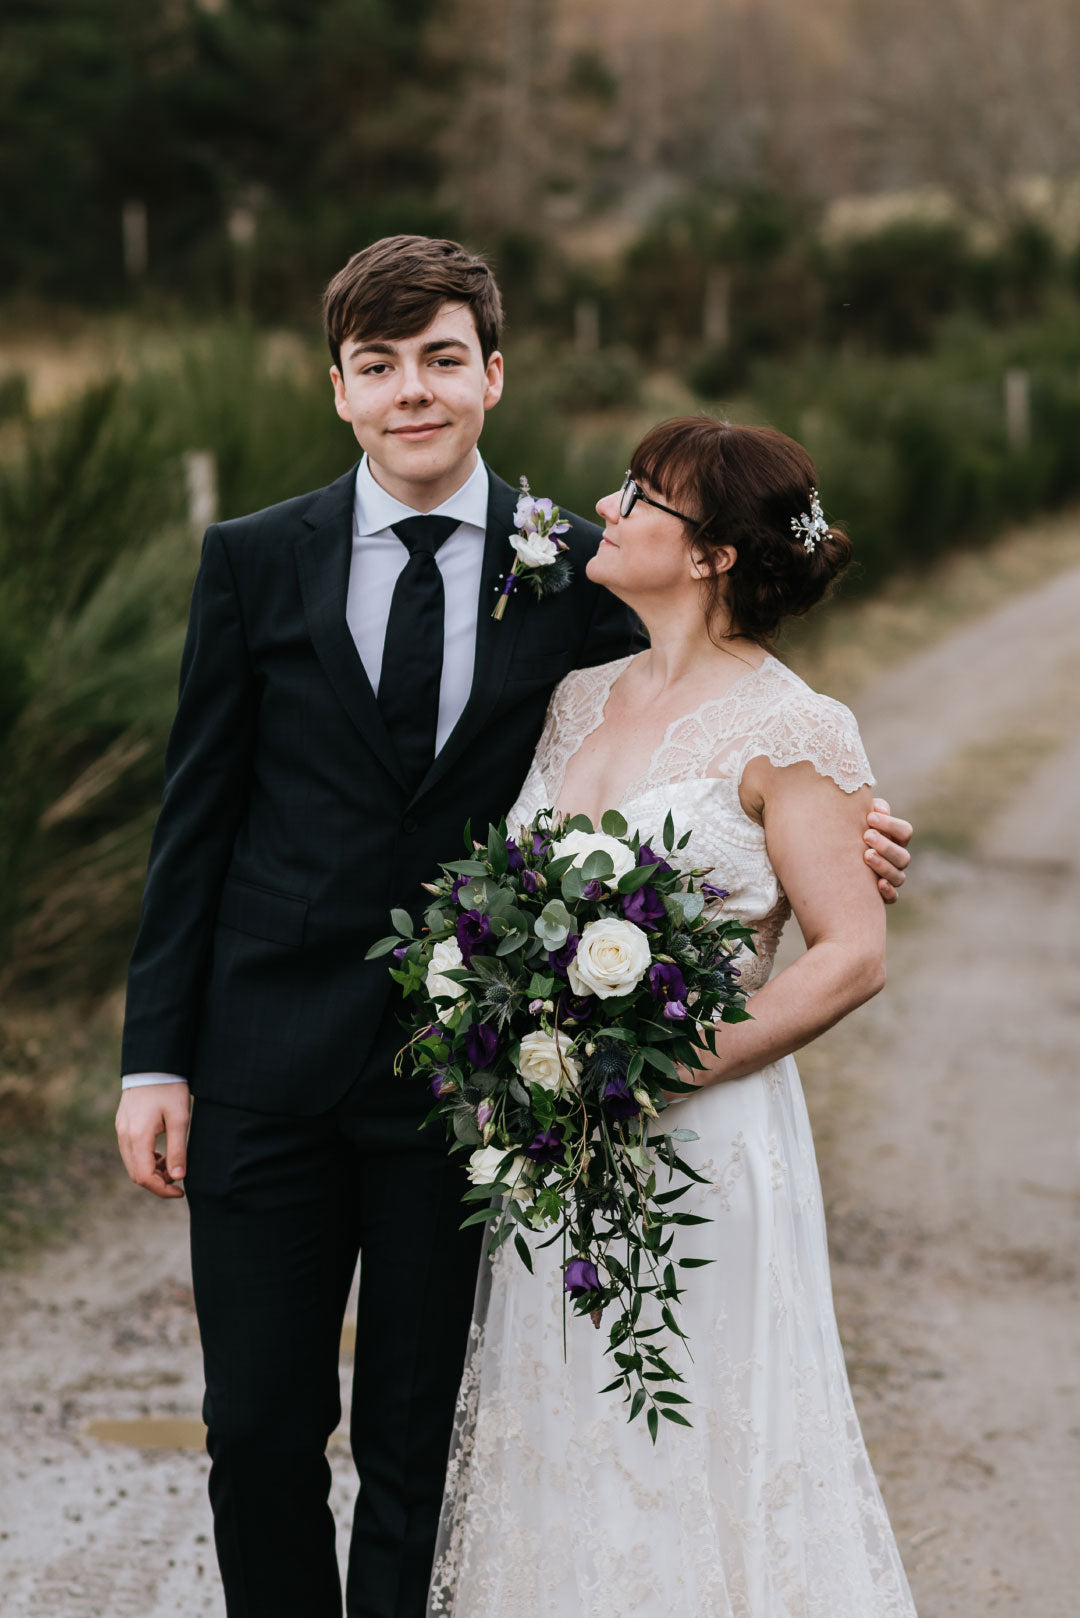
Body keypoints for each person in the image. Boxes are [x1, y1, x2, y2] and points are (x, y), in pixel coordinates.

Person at [113, 237, 914, 1618]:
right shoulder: (251, 561)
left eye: (439, 359)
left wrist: (856, 833)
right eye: (379, 367)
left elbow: (721, 716)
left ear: (493, 373)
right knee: (254, 1430)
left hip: (466, 1094)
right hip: (263, 1066)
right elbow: (196, 823)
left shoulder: (573, 569)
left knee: (422, 1446)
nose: (410, 392)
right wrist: (153, 1059)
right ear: (340, 390)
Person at [429, 418, 918, 1618]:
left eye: (645, 497)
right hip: (558, 1153)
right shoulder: (578, 698)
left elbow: (850, 949)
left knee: (693, 1431)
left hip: (705, 1144)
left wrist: (691, 1061)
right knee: (566, 1434)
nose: (611, 503)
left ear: (711, 558)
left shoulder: (795, 726)